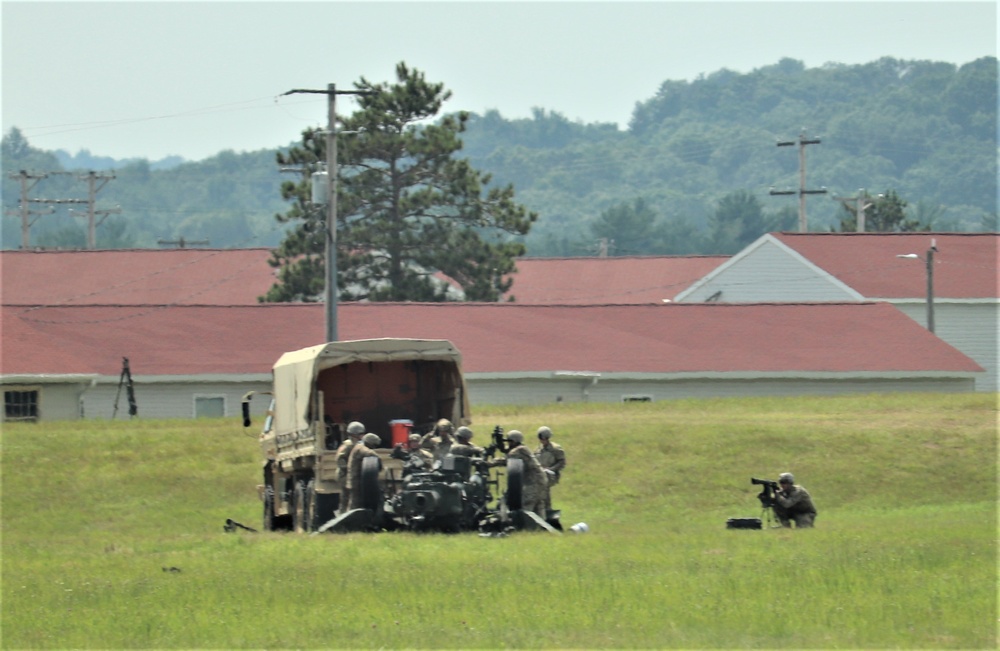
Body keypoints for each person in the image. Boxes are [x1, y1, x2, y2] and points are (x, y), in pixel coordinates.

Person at [504, 430, 548, 518]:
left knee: (526, 504)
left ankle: (525, 525)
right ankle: (543, 527)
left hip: (533, 481)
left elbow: (508, 460)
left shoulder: (518, 450)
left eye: (509, 442)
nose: (508, 444)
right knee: (539, 505)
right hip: (541, 479)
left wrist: (489, 463)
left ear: (514, 441)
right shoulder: (523, 449)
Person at [346, 432, 382, 511]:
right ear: (369, 443)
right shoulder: (360, 447)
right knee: (354, 504)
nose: (373, 447)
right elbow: (370, 453)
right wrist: (379, 460)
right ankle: (351, 521)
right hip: (355, 480)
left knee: (358, 504)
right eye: (373, 445)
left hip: (357, 479)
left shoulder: (359, 446)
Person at [336, 421, 365, 514]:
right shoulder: (348, 445)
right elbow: (340, 459)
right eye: (360, 434)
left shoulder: (359, 444)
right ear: (354, 434)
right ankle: (342, 517)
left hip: (353, 475)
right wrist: (348, 469)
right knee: (346, 497)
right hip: (345, 475)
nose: (362, 436)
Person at [534, 426, 566, 511]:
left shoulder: (556, 449)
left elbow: (562, 462)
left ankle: (547, 509)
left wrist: (551, 469)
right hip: (539, 474)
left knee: (544, 488)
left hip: (551, 475)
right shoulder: (538, 449)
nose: (542, 440)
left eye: (544, 438)